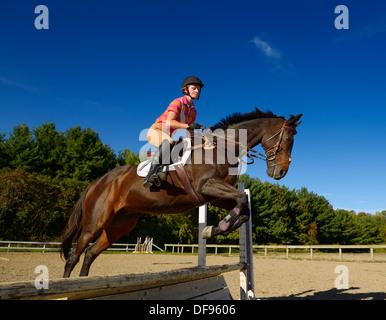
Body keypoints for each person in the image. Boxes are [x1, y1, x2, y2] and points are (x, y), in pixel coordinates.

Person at [143, 76, 205, 188]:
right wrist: (189, 126)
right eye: (194, 88)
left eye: (199, 89)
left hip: (170, 135)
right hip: (156, 130)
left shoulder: (193, 111)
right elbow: (168, 122)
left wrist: (202, 137)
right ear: (186, 90)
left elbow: (188, 131)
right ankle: (151, 174)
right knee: (168, 142)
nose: (197, 91)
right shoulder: (177, 102)